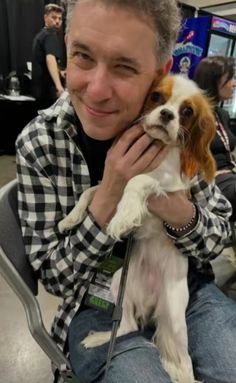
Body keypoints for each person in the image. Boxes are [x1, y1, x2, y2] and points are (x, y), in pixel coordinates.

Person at [15, 1, 236, 382]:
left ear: (159, 73)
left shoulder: (181, 134)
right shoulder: (41, 142)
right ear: (66, 45)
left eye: (125, 66)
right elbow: (56, 281)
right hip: (99, 300)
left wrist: (180, 214)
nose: (97, 90)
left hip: (184, 285)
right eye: (82, 56)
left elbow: (218, 239)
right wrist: (110, 192)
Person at [194, 55, 236, 221]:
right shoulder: (194, 116)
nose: (234, 84)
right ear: (214, 81)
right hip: (208, 183)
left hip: (229, 176)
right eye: (230, 78)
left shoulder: (221, 114)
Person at [31, 3, 65, 109]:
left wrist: (60, 72)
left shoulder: (41, 35)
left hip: (39, 91)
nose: (57, 21)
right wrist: (59, 87)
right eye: (53, 18)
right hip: (47, 91)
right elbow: (50, 59)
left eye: (60, 18)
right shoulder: (50, 34)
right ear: (45, 18)